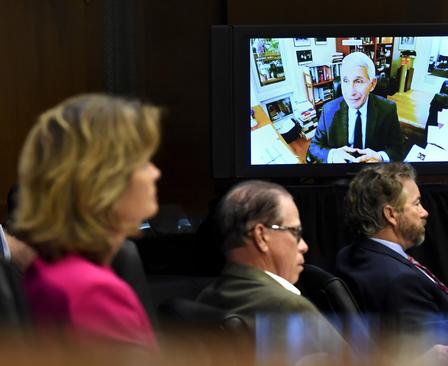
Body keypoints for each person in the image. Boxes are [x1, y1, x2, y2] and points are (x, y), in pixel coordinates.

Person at [12, 94, 160, 350]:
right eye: (143, 163)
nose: (156, 172)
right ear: (105, 181)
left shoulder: (52, 270)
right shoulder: (94, 292)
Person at [335, 162, 448, 355]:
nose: (425, 212)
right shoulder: (401, 281)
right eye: (416, 204)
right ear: (391, 214)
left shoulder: (351, 255)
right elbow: (439, 356)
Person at [196, 180, 346, 360]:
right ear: (261, 236)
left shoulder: (206, 296)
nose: (304, 246)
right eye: (295, 232)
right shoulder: (290, 307)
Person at [308, 52, 404, 164]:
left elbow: (398, 149)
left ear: (372, 84)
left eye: (358, 81)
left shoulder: (388, 110)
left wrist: (380, 157)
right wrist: (332, 155)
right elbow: (314, 147)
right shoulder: (328, 110)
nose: (350, 92)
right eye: (345, 81)